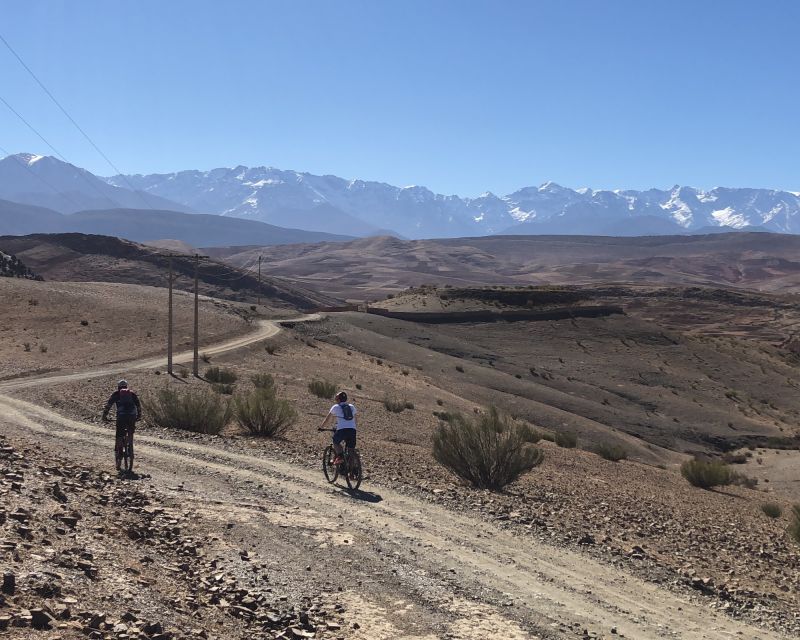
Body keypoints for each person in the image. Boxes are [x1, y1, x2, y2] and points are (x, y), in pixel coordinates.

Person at [102, 379, 142, 471]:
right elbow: (138, 405)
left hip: (121, 416)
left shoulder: (116, 394)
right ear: (127, 386)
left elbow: (108, 405)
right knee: (130, 431)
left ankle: (119, 453)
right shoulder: (132, 394)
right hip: (132, 416)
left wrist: (104, 416)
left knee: (119, 434)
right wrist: (139, 416)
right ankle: (130, 445)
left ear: (118, 387)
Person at [319, 391, 357, 465]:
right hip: (352, 430)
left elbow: (327, 419)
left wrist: (321, 427)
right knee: (351, 450)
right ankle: (353, 471)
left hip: (342, 430)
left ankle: (340, 457)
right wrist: (354, 428)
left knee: (335, 441)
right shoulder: (352, 407)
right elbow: (356, 419)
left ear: (338, 399)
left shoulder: (336, 407)